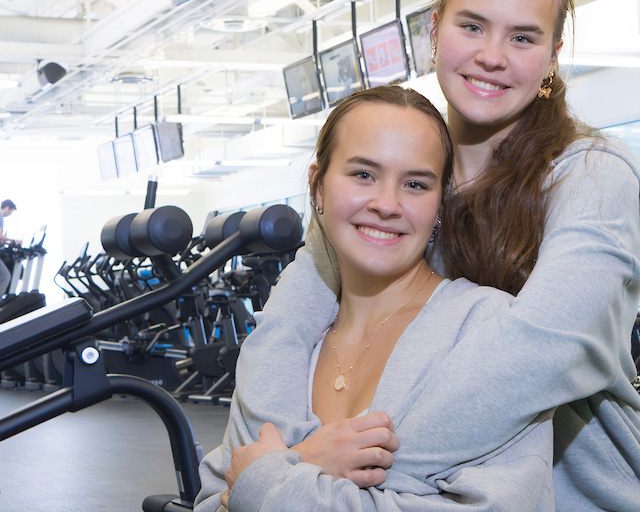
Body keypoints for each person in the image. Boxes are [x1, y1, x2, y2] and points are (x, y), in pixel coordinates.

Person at [220, 0, 640, 512]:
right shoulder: (407, 166)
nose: (492, 55)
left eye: (522, 37)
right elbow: (285, 331)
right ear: (435, 30)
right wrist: (294, 462)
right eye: (472, 25)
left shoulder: (589, 174)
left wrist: (314, 472)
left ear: (553, 55)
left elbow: (544, 352)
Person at [196, 86, 554, 510]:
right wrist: (306, 461)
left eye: (416, 184)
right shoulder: (285, 350)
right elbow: (213, 497)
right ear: (318, 189)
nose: (387, 204)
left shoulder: (484, 328)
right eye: (363, 174)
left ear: (440, 204)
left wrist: (276, 478)